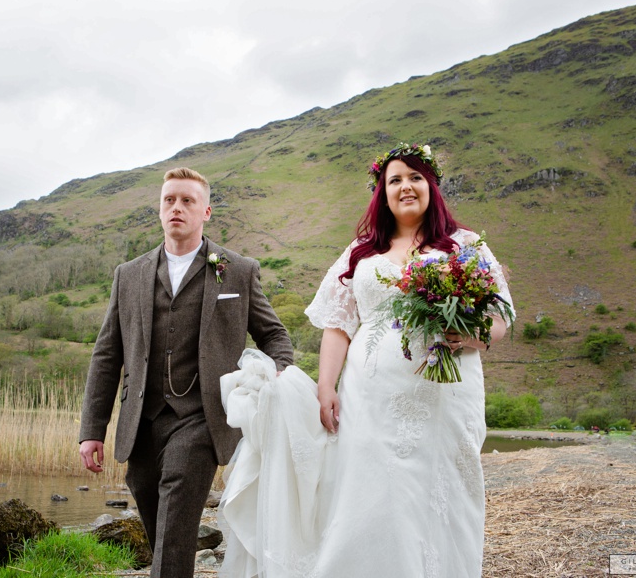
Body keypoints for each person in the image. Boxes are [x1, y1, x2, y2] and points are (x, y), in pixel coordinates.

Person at [218, 142, 513, 577]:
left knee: (444, 491)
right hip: (370, 396)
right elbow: (338, 325)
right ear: (383, 192)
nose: (406, 186)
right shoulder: (362, 251)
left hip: (446, 397)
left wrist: (469, 334)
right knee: (376, 494)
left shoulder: (465, 246)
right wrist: (325, 387)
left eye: (415, 177)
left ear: (431, 185)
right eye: (395, 179)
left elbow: (500, 318)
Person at [79, 167, 294, 578]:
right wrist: (92, 428)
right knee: (148, 499)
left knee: (178, 498)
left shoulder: (238, 270)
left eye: (187, 200)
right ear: (160, 210)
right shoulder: (129, 274)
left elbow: (275, 337)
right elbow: (107, 354)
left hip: (203, 416)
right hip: (142, 417)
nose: (176, 207)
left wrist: (274, 378)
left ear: (206, 211)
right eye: (169, 200)